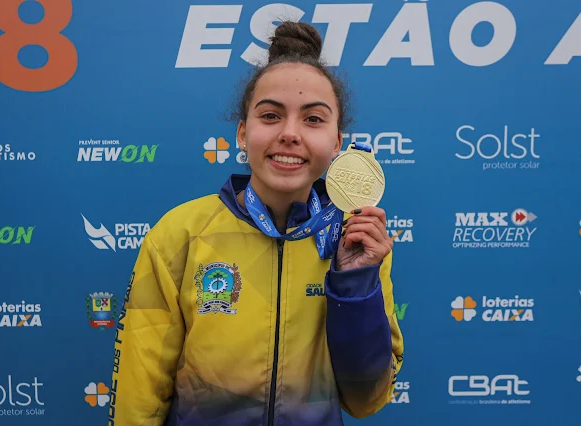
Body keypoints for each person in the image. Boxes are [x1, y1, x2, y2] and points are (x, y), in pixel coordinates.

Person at [109, 20, 404, 426]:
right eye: (270, 116)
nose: (289, 133)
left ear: (337, 142)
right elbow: (138, 393)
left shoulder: (356, 242)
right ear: (243, 133)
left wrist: (354, 283)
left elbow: (366, 399)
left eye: (314, 120)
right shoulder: (180, 234)